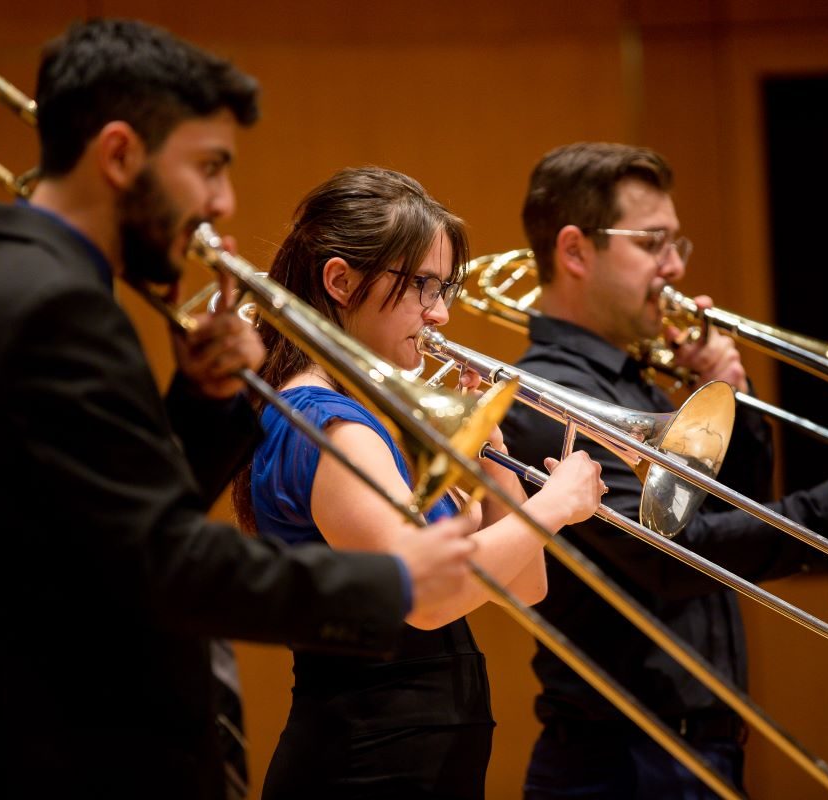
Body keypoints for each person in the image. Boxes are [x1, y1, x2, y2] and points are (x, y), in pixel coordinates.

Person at [0, 20, 476, 800]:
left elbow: (99, 529)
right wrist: (387, 580)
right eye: (208, 168)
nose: (222, 202)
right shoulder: (47, 309)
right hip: (57, 757)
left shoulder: (27, 287)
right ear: (118, 155)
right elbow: (162, 560)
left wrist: (204, 407)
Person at [500, 142, 828, 798]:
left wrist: (736, 396)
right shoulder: (546, 397)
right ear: (576, 251)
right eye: (652, 243)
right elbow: (676, 559)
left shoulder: (637, 383)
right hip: (618, 765)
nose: (673, 268)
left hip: (694, 748)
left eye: (678, 246)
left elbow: (731, 514)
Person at [231, 166, 606, 798]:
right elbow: (425, 600)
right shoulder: (324, 423)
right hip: (365, 761)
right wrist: (556, 504)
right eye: (423, 287)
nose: (441, 314)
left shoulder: (372, 418)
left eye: (446, 288)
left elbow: (526, 584)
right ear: (341, 282)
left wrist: (490, 457)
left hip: (410, 758)